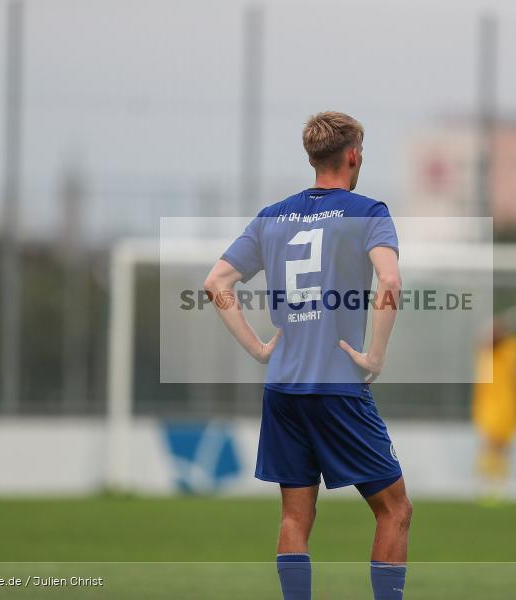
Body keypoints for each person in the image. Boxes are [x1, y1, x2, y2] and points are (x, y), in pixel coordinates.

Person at [204, 111, 410, 600]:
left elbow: (217, 283)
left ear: (312, 156)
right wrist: (375, 355)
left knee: (296, 516)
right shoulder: (368, 211)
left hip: (283, 389)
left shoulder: (273, 216)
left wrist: (258, 348)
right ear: (353, 155)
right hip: (337, 386)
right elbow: (391, 280)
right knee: (394, 510)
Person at [471, 313, 516, 504]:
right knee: (490, 443)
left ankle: (500, 485)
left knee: (506, 446)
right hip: (490, 401)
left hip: (512, 403)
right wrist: (509, 321)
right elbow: (488, 337)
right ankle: (484, 484)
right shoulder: (491, 345)